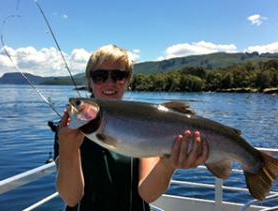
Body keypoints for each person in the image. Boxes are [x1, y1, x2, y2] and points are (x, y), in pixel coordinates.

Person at [56, 44, 209, 211]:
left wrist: (168, 165)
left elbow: (148, 194)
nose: (109, 83)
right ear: (89, 82)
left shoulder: (145, 121)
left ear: (128, 81)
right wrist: (68, 149)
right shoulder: (67, 131)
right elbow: (71, 197)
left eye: (118, 76)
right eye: (100, 76)